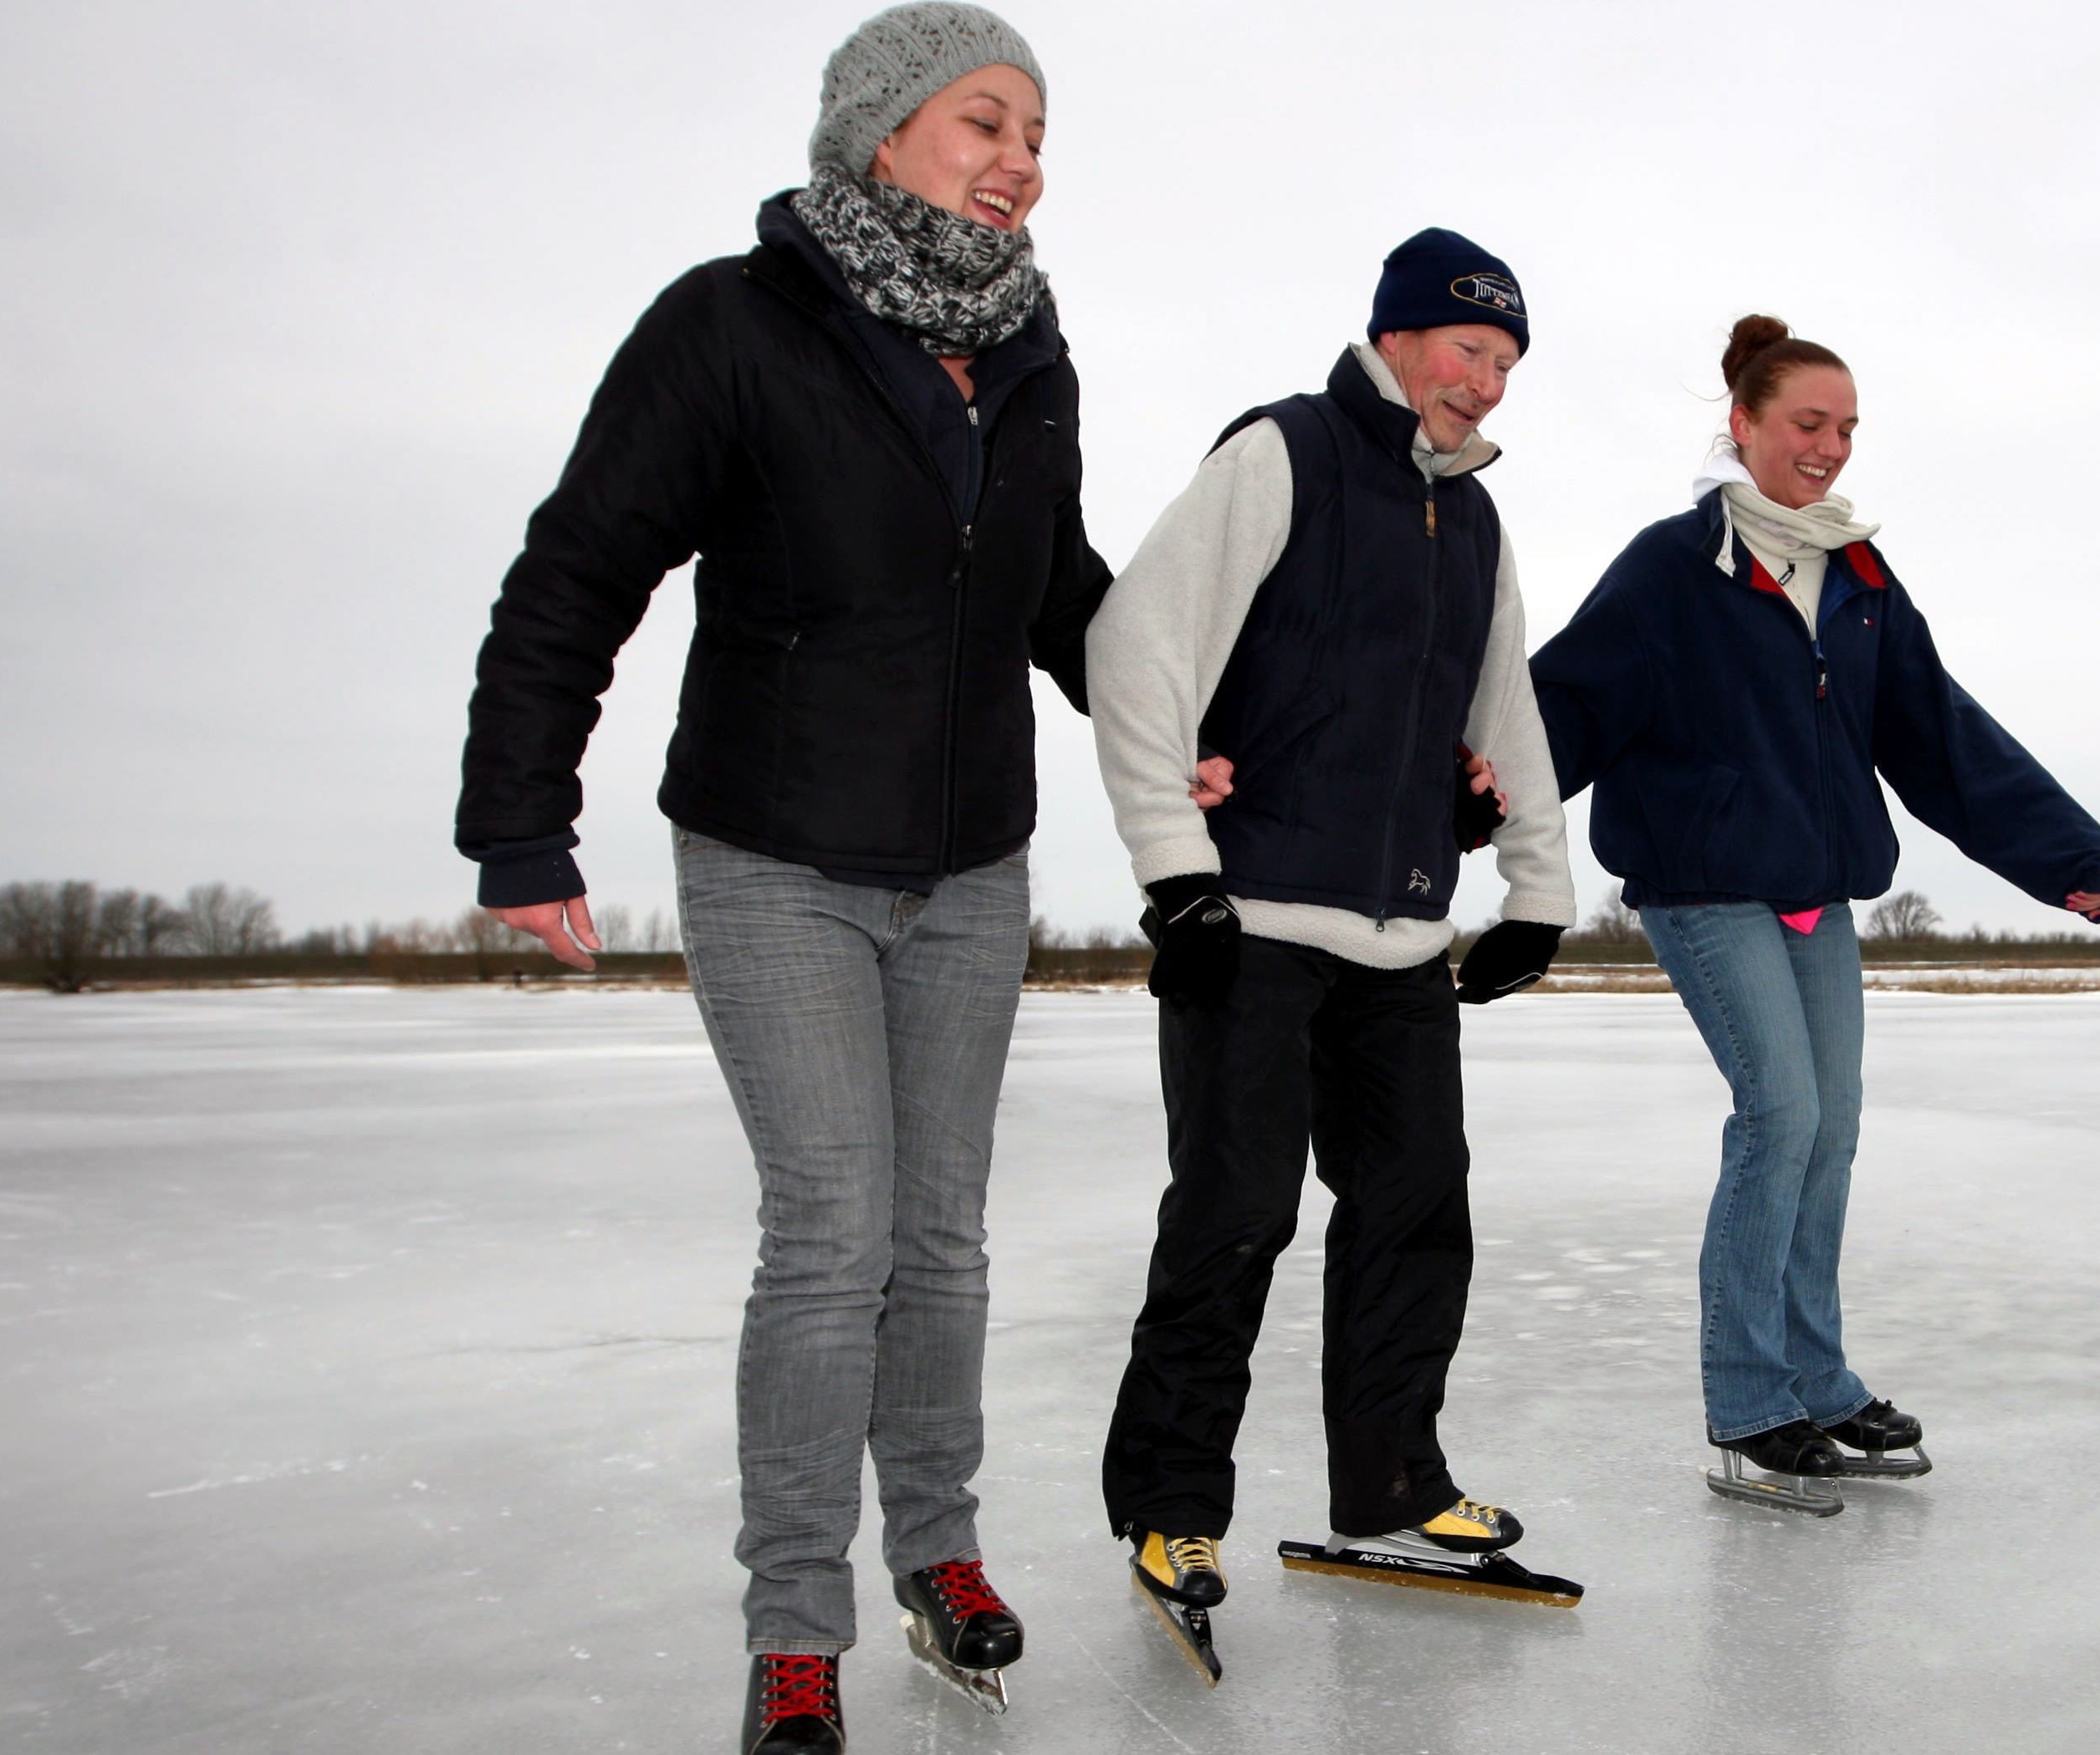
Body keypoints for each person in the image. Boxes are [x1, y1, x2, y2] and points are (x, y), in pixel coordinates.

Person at [452, 6, 1108, 1742]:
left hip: (970, 862)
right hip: (775, 850)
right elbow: (581, 563)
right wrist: (519, 818)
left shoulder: (1029, 352)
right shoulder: (735, 323)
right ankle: (794, 1628)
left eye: (1037, 135)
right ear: (880, 131)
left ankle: (939, 1553)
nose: (1020, 161)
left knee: (942, 1240)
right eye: (984, 121)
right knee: (833, 1239)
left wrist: (1191, 722)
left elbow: (1059, 592)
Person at [1529, 314, 2100, 1512]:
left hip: (1816, 892)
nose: (1830, 447)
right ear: (1743, 423)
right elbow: (1564, 702)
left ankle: (1816, 1377)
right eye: (1808, 423)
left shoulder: (1856, 575)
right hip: (1706, 884)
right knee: (1781, 1116)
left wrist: (2065, 857)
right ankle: (1749, 1399)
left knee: (1832, 1127)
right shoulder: (1674, 567)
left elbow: (1936, 731)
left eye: (1847, 428)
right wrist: (1456, 794)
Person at [1083, 227, 1580, 1674]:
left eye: (1506, 362)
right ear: (1398, 337)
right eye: (1468, 350)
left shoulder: (1473, 522)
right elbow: (1138, 644)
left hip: (1403, 934)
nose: (1485, 384)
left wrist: (1536, 891)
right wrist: (1175, 873)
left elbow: (1504, 707)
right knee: (1233, 1213)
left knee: (1417, 1213)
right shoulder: (1283, 454)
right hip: (1251, 921)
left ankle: (1390, 1487)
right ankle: (1172, 1509)